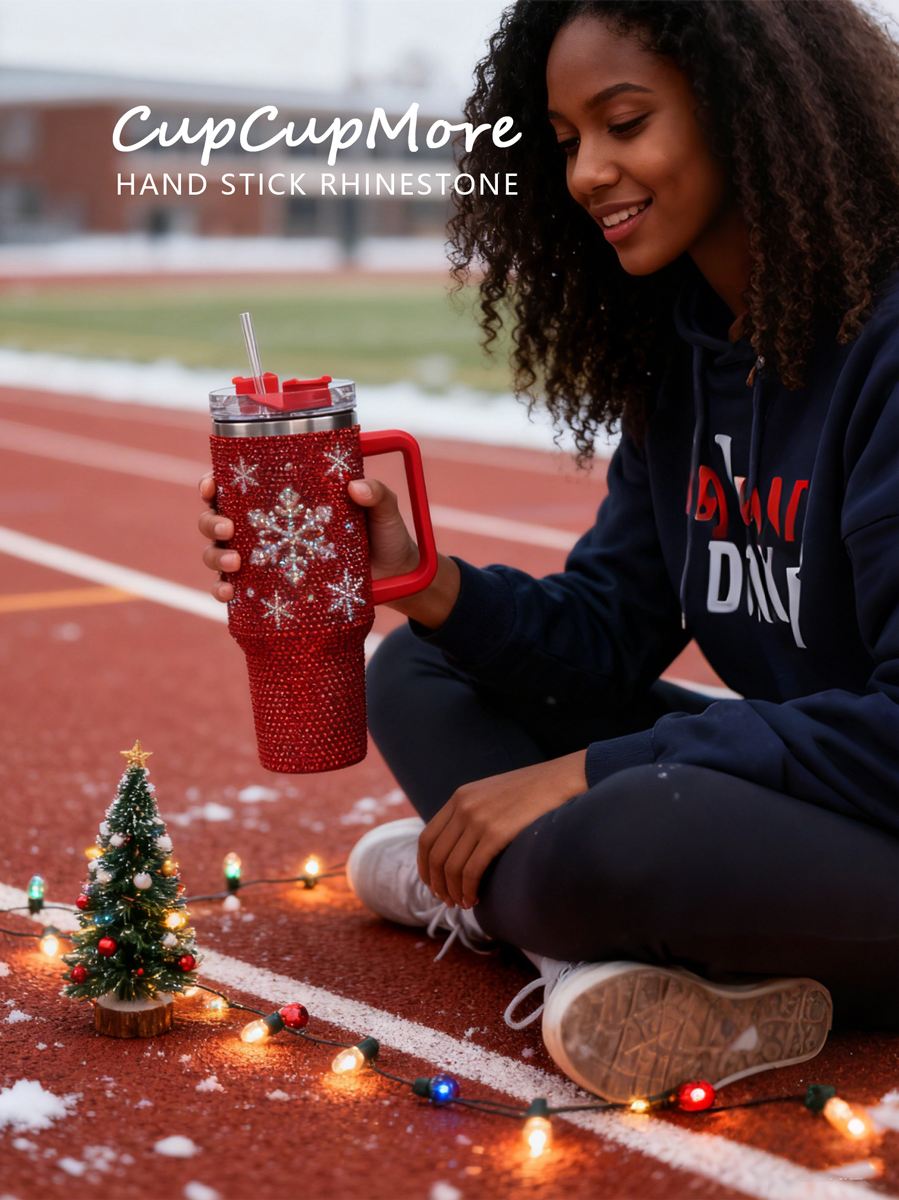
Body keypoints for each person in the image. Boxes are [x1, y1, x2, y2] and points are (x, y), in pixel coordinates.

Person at [197, 0, 899, 1102]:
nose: (587, 173)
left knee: (628, 831)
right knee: (422, 671)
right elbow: (609, 629)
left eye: (625, 123)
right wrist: (425, 583)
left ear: (753, 111)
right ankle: (587, 949)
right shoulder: (689, 358)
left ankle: (527, 910)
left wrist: (582, 776)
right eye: (568, 140)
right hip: (807, 796)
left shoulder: (889, 355)